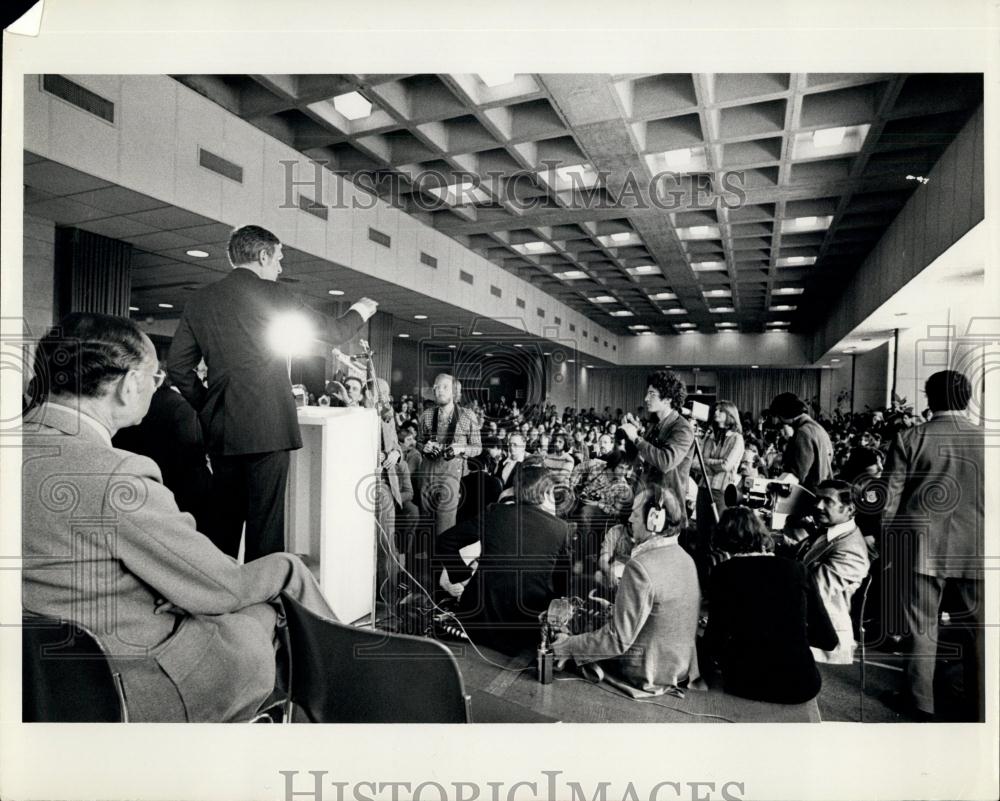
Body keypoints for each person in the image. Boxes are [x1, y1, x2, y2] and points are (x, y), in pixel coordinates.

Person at [22, 313, 337, 722]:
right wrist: (286, 567)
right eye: (155, 379)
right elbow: (220, 587)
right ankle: (348, 706)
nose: (156, 389)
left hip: (38, 682)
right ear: (128, 384)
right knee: (281, 586)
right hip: (129, 686)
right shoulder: (117, 476)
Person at [167, 224, 377, 560]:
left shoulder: (200, 300)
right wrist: (362, 310)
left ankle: (217, 605)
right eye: (278, 259)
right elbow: (336, 332)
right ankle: (261, 609)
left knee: (222, 524)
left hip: (222, 430)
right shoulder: (276, 296)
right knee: (265, 530)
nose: (280, 268)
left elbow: (178, 366)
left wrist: (209, 404)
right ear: (263, 256)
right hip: (269, 428)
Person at [882, 370, 984, 721]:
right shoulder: (988, 440)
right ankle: (980, 703)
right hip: (978, 549)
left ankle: (920, 703)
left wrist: (886, 543)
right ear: (968, 398)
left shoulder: (910, 437)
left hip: (919, 546)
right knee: (979, 632)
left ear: (929, 398)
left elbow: (889, 500)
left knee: (921, 627)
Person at [553, 490, 703, 697]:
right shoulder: (687, 559)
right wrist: (616, 609)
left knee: (571, 635)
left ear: (654, 521)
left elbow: (617, 640)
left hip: (645, 669)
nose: (630, 518)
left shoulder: (640, 566)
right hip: (678, 666)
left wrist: (568, 646)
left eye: (635, 513)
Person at [704, 508, 838, 705]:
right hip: (803, 684)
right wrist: (787, 630)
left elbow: (714, 642)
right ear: (761, 533)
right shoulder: (797, 569)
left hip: (745, 683)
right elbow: (828, 640)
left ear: (722, 540)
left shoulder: (723, 572)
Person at [445, 466, 573, 654]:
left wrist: (461, 578)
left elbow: (445, 542)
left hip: (476, 620)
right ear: (546, 494)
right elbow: (563, 581)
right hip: (524, 631)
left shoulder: (495, 512)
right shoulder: (561, 528)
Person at [111, 366, 212, 534]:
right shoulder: (181, 406)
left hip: (134, 486)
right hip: (179, 489)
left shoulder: (134, 403)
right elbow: (193, 449)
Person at [792, 480, 871, 664]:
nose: (818, 506)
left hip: (822, 631)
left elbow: (811, 592)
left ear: (850, 509)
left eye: (828, 501)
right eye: (818, 499)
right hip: (802, 615)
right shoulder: (830, 532)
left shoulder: (851, 551)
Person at [618, 369, 695, 527]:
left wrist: (636, 438)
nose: (646, 398)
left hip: (668, 507)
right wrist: (631, 435)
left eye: (652, 394)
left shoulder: (682, 428)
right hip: (648, 498)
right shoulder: (655, 425)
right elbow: (642, 455)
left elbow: (665, 462)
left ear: (667, 399)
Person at [417, 373, 482, 536]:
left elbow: (478, 448)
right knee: (426, 526)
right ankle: (426, 559)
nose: (440, 390)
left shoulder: (467, 416)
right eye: (436, 387)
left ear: (454, 391)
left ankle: (441, 561)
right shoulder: (426, 415)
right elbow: (418, 443)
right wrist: (424, 447)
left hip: (451, 477)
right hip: (426, 475)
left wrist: (461, 448)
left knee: (444, 530)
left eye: (445, 387)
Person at [693, 400, 744, 547]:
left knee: (718, 534)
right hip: (703, 489)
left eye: (720, 410)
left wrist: (706, 463)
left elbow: (726, 465)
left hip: (721, 492)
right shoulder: (710, 437)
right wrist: (713, 463)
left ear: (730, 415)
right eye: (716, 410)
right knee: (701, 534)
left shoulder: (736, 438)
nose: (715, 412)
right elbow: (695, 463)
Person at [769, 392, 834, 490]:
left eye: (779, 417)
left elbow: (797, 474)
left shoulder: (803, 432)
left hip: (808, 493)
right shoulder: (818, 428)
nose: (779, 421)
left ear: (785, 414)